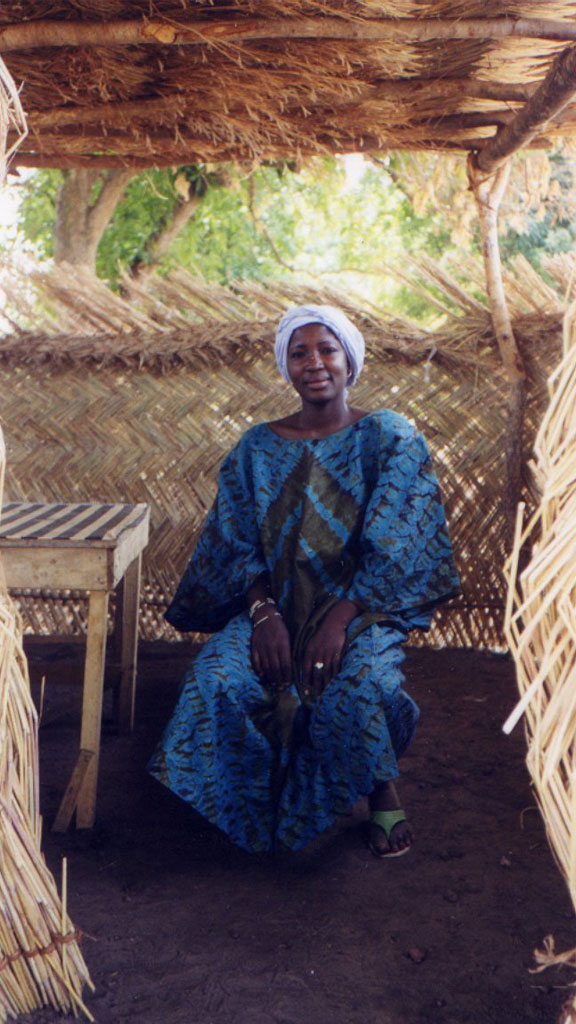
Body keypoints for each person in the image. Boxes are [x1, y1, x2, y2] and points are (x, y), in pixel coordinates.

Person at [148, 304, 459, 858]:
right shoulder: (256, 448)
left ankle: (381, 788)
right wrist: (264, 616)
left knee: (360, 685)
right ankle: (249, 808)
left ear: (349, 360)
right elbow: (233, 542)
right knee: (217, 679)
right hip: (273, 609)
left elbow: (397, 541)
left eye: (326, 349)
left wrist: (339, 621)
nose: (314, 362)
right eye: (299, 352)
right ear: (285, 367)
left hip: (361, 611)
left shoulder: (388, 437)